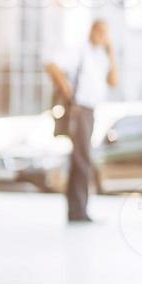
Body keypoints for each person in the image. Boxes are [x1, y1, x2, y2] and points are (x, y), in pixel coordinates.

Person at [46, 19, 118, 223]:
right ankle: (79, 211)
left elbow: (113, 81)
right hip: (78, 109)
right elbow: (52, 66)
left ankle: (77, 211)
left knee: (80, 160)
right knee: (82, 159)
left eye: (106, 34)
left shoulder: (102, 57)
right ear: (92, 31)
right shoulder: (80, 50)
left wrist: (111, 51)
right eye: (100, 32)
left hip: (91, 111)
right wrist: (67, 90)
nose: (103, 36)